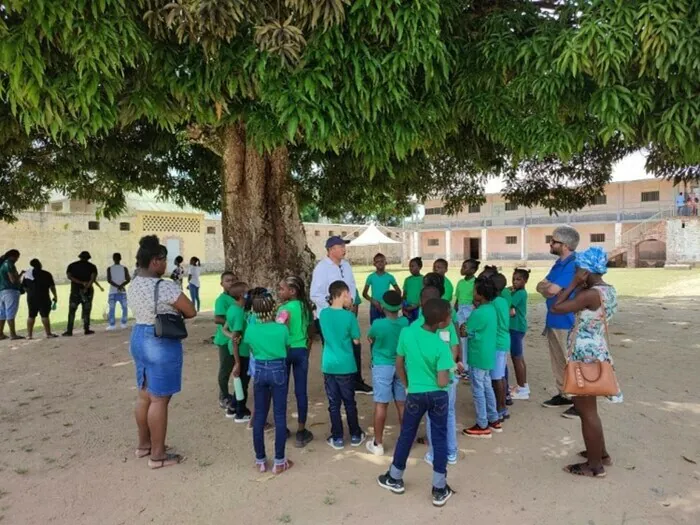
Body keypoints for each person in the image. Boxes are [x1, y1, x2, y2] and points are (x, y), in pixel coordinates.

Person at [377, 298, 455, 507]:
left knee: (407, 435)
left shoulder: (407, 333)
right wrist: (451, 373)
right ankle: (439, 488)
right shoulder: (441, 346)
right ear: (440, 323)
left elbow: (399, 363)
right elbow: (441, 381)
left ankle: (394, 477)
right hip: (438, 396)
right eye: (449, 315)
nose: (451, 317)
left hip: (415, 394)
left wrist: (407, 384)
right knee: (439, 439)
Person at [127, 235, 197, 469]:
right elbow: (190, 310)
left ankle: (144, 445)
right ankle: (158, 455)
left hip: (139, 335)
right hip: (159, 340)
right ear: (156, 261)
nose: (166, 265)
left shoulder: (134, 283)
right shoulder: (164, 286)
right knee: (160, 399)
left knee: (144, 394)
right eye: (163, 260)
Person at [550, 246, 619, 478]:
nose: (575, 273)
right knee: (589, 409)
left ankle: (594, 465)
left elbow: (557, 307)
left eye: (578, 270)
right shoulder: (608, 290)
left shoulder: (589, 294)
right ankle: (601, 453)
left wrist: (572, 285)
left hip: (584, 355)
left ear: (586, 271)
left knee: (586, 411)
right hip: (597, 350)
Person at [311, 236, 372, 395]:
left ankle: (356, 381)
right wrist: (333, 307)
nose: (344, 249)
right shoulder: (322, 268)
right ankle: (334, 383)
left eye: (344, 246)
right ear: (331, 250)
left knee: (354, 345)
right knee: (333, 349)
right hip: (329, 317)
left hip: (346, 313)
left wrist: (351, 302)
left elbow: (351, 286)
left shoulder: (346, 265)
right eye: (340, 246)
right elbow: (315, 294)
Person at [244, 293, 294, 474]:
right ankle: (279, 461)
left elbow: (251, 349)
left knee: (259, 416)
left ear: (254, 311)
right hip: (278, 369)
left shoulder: (251, 329)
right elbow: (286, 347)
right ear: (274, 309)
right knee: (279, 415)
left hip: (260, 370)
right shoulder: (282, 329)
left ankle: (261, 460)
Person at [536, 225, 580, 418]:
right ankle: (564, 393)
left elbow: (552, 290)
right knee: (558, 360)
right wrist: (548, 288)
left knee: (570, 361)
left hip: (567, 320)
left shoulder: (572, 264)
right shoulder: (559, 264)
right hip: (553, 318)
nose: (550, 244)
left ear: (565, 245)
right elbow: (542, 285)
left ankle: (579, 401)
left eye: (553, 241)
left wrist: (549, 288)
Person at [320, 280, 366, 450]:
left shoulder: (324, 314)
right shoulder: (349, 316)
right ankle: (355, 433)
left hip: (329, 364)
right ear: (344, 294)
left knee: (333, 402)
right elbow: (356, 340)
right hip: (346, 364)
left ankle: (337, 436)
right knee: (349, 401)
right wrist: (350, 310)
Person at [365, 290, 409, 456]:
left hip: (382, 365)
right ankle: (405, 441)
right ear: (399, 306)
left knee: (381, 404)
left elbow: (370, 338)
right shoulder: (405, 322)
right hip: (401, 365)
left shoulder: (378, 324)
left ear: (382, 306)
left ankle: (378, 443)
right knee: (402, 404)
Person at [461, 276, 501, 438]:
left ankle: (482, 424)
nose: (473, 293)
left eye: (475, 290)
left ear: (481, 294)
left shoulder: (477, 313)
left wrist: (464, 327)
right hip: (488, 354)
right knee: (486, 386)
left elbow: (465, 331)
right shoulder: (491, 309)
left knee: (478, 389)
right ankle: (494, 418)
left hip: (477, 355)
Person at [277, 276, 315, 448]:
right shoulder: (305, 307)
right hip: (301, 351)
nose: (279, 292)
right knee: (301, 391)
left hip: (285, 351)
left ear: (292, 291)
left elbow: (280, 329)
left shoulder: (284, 309)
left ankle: (282, 429)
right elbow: (311, 330)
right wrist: (307, 348)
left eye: (281, 289)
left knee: (281, 391)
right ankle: (301, 430)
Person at [223, 281, 252, 422]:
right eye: (247, 291)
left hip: (238, 349)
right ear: (242, 295)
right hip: (241, 352)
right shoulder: (239, 313)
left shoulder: (232, 309)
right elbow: (235, 338)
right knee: (243, 382)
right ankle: (241, 411)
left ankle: (233, 407)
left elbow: (225, 328)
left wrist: (232, 337)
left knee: (240, 381)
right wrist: (237, 363)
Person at [63, 251, 103, 337]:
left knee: (72, 311)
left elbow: (69, 277)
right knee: (86, 311)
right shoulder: (92, 267)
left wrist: (80, 282)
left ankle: (69, 330)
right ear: (88, 258)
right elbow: (92, 279)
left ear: (80, 257)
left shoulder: (72, 265)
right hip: (88, 292)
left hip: (75, 292)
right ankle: (86, 329)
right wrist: (86, 287)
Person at [213, 271, 237, 409]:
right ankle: (223, 396)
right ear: (222, 284)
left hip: (237, 339)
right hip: (225, 339)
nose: (231, 283)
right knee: (225, 368)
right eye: (228, 280)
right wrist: (233, 322)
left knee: (238, 366)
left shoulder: (237, 298)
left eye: (234, 280)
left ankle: (237, 394)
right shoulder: (221, 300)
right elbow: (218, 318)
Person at [490, 272, 511, 421]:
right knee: (501, 376)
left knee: (497, 378)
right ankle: (502, 407)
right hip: (504, 340)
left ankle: (500, 408)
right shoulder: (503, 301)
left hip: (497, 342)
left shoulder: (494, 303)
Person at [455, 259, 479, 377]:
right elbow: (457, 299)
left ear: (473, 270)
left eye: (465, 267)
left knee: (470, 337)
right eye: (462, 266)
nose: (462, 269)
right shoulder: (460, 282)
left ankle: (471, 366)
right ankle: (464, 366)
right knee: (462, 338)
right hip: (460, 310)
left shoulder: (476, 282)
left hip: (471, 309)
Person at [22, 259, 58, 339]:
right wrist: (55, 296)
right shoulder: (46, 274)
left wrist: (30, 292)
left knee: (31, 315)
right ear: (40, 264)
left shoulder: (27, 275)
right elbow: (52, 286)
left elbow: (24, 286)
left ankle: (29, 335)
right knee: (45, 315)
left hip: (31, 298)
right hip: (44, 297)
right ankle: (48, 334)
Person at [509, 268, 531, 400]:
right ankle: (522, 385)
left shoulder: (520, 293)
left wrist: (506, 291)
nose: (514, 282)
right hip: (516, 327)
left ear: (525, 281)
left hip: (516, 328)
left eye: (518, 279)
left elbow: (508, 303)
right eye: (513, 279)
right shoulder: (517, 292)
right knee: (519, 357)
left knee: (516, 357)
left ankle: (522, 389)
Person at [362, 252, 401, 325]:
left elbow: (398, 291)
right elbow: (364, 293)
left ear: (385, 262)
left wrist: (391, 300)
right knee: (374, 325)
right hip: (374, 305)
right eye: (377, 262)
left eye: (382, 261)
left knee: (387, 325)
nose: (380, 263)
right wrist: (373, 301)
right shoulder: (371, 277)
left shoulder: (390, 277)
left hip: (386, 306)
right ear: (374, 264)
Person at [0, 249, 24, 340]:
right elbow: (13, 280)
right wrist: (19, 279)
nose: (17, 259)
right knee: (10, 312)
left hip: (1, 291)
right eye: (17, 257)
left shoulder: (2, 264)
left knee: (2, 313)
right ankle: (13, 334)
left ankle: (0, 333)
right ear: (13, 256)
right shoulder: (9, 264)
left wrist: (20, 274)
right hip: (10, 291)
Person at [106, 253, 131, 331]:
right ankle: (123, 323)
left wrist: (117, 286)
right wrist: (121, 286)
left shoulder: (109, 268)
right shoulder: (124, 268)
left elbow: (109, 280)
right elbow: (128, 279)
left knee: (112, 308)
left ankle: (112, 324)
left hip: (112, 291)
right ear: (121, 258)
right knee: (124, 307)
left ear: (113, 259)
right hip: (122, 291)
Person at [402, 257, 423, 324]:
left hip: (418, 307)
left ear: (419, 267)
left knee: (417, 324)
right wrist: (404, 308)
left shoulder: (424, 279)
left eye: (412, 266)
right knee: (408, 324)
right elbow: (404, 295)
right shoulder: (407, 280)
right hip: (407, 308)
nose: (410, 268)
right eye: (409, 266)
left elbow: (424, 295)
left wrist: (416, 305)